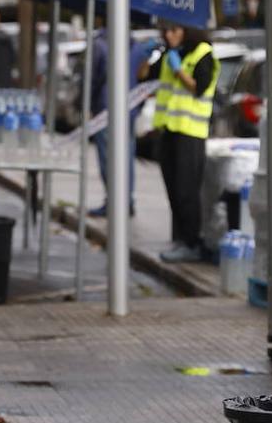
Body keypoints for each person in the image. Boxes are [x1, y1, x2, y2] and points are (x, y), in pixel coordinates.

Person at [143, 22, 218, 262]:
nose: (169, 35)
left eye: (174, 30)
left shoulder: (203, 53)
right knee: (173, 189)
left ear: (188, 30)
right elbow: (143, 76)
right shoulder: (168, 54)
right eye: (166, 31)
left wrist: (179, 71)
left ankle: (191, 243)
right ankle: (179, 239)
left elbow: (199, 88)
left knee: (187, 191)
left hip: (191, 133)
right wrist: (145, 56)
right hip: (168, 130)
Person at [86, 21, 157, 218]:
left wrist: (88, 106)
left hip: (105, 110)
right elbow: (144, 78)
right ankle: (127, 201)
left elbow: (92, 78)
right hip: (129, 110)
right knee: (127, 157)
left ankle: (114, 202)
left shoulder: (100, 44)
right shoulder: (136, 46)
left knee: (108, 158)